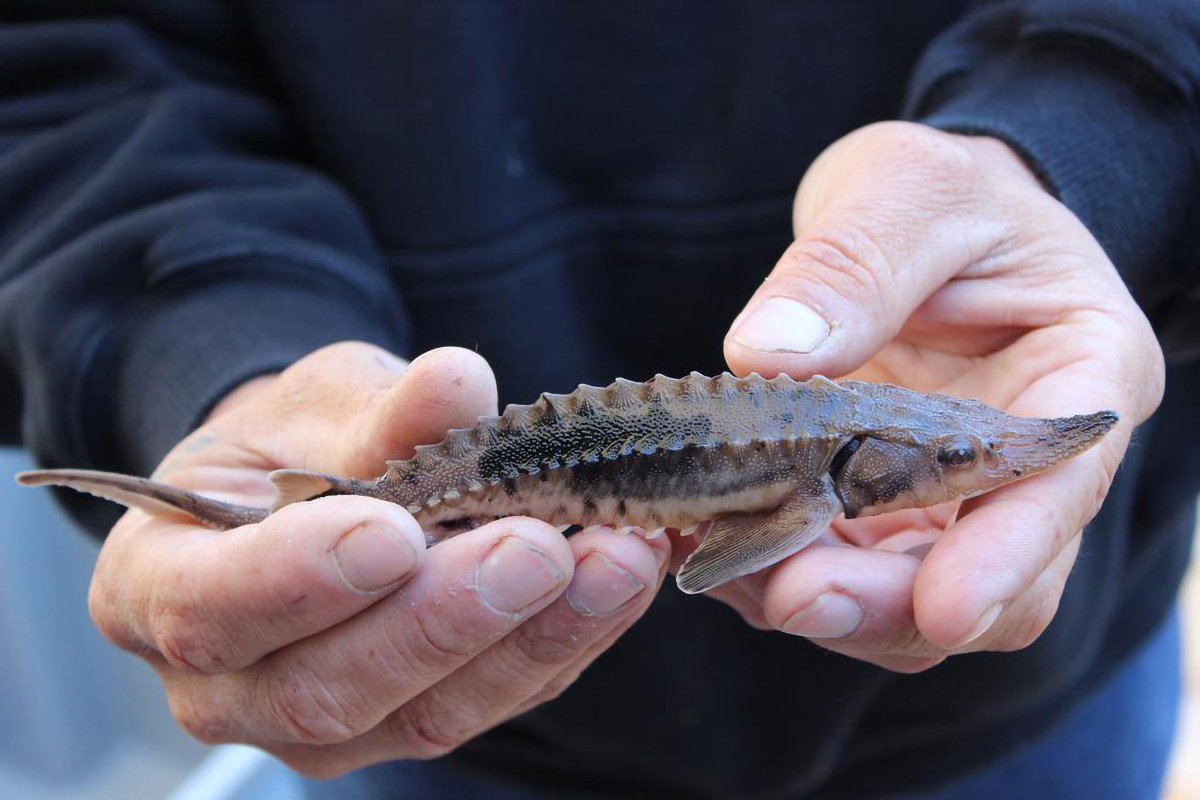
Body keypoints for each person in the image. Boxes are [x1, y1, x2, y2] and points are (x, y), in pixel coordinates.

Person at [1, 2, 1197, 798]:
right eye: (954, 464)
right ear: (867, 468)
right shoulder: (813, 485)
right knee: (396, 564)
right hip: (461, 724)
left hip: (1041, 715)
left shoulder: (835, 472)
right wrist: (205, 348)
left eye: (966, 462)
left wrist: (1088, 155)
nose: (981, 463)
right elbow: (63, 63)